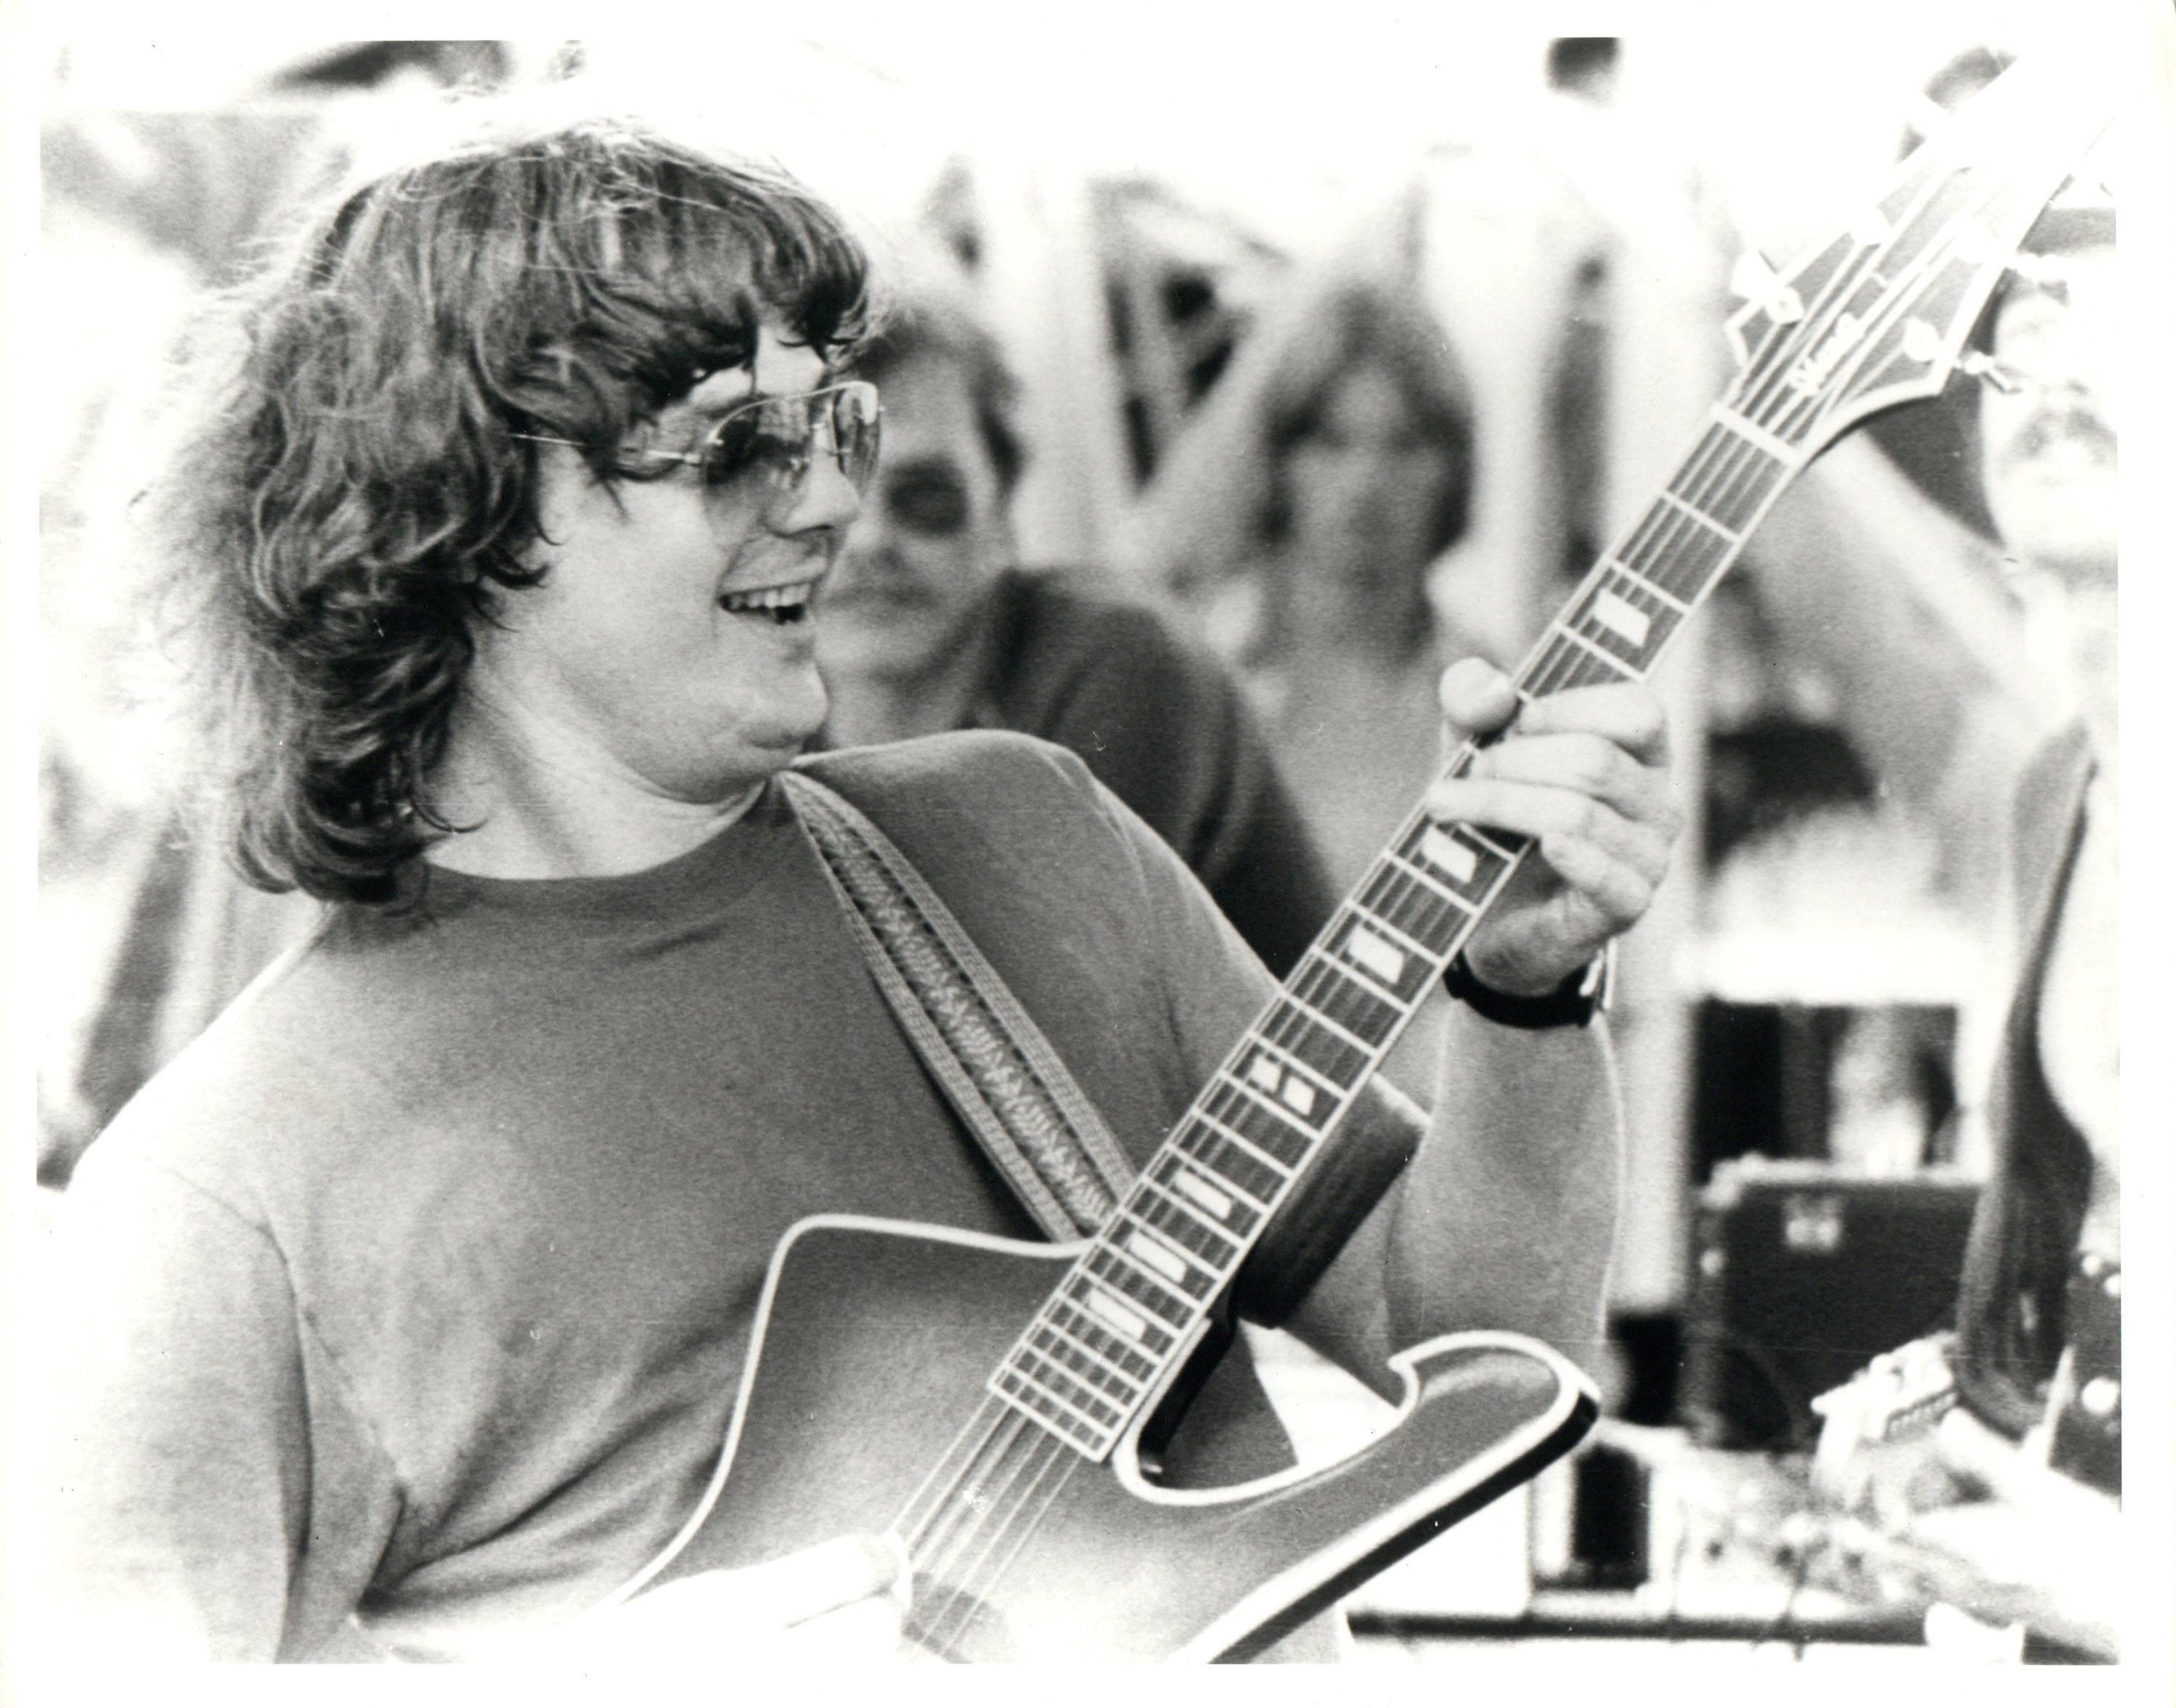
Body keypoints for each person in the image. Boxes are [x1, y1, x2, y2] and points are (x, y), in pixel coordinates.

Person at [37, 115, 1680, 1664]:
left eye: (837, 423)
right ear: (454, 511)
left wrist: (1523, 994)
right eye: (738, 447)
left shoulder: (1019, 848)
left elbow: (1486, 1352)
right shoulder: (218, 1214)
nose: (826, 501)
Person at [1812, 197, 2122, 1662]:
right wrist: (1944, 1392)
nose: (2052, 376)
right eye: (2020, 334)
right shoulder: (2061, 783)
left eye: (2122, 324)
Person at [815, 282, 1337, 977]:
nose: (873, 540)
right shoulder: (775, 703)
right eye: (832, 498)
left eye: (927, 495)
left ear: (1001, 513)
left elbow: (1045, 1004)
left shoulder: (1122, 657)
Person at [1203, 283, 1478, 892]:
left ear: (1452, 468)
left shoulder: (1490, 693)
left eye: (1404, 444)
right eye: (1330, 441)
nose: (1365, 482)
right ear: (1279, 462)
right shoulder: (1200, 679)